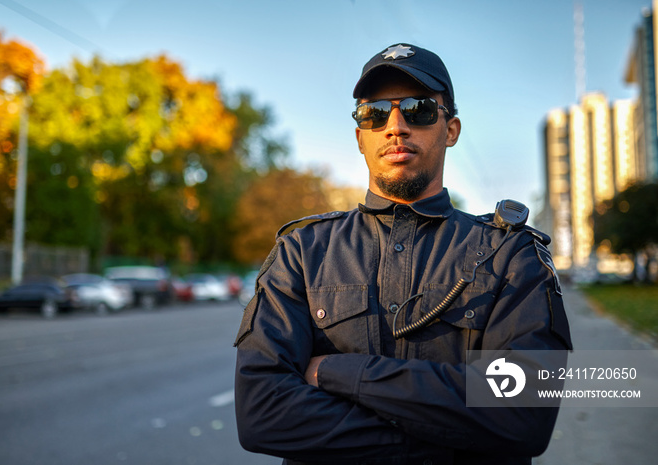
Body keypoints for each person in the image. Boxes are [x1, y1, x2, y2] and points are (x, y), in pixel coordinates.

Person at [234, 43, 572, 465]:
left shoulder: (511, 253)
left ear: (450, 129)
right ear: (360, 136)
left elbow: (521, 413)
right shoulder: (302, 251)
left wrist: (337, 372)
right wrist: (446, 441)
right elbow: (262, 414)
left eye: (418, 109)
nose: (395, 126)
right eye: (374, 113)